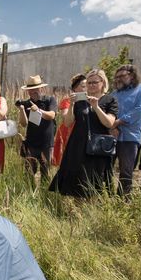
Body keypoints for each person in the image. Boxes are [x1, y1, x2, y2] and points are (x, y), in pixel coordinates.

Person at [49, 69, 118, 198]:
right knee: (77, 181)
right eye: (88, 83)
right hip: (78, 144)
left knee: (94, 181)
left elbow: (109, 123)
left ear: (102, 82)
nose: (91, 85)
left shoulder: (110, 100)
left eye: (94, 82)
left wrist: (96, 107)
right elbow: (68, 123)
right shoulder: (80, 100)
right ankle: (77, 214)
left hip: (98, 147)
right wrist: (71, 105)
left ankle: (91, 212)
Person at [111, 64, 141, 195]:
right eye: (117, 77)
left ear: (132, 76)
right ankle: (105, 198)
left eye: (122, 76)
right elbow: (108, 111)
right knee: (106, 169)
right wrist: (112, 126)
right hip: (111, 136)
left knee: (126, 172)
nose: (118, 79)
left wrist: (116, 123)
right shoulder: (114, 94)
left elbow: (139, 111)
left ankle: (122, 202)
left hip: (130, 137)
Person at [16, 75, 57, 182]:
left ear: (41, 89)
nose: (32, 91)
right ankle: (30, 194)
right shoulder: (26, 103)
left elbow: (52, 115)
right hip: (31, 143)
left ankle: (44, 195)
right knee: (29, 174)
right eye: (30, 90)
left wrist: (38, 110)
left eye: (35, 89)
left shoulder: (49, 100)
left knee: (46, 173)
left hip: (46, 144)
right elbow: (24, 124)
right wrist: (21, 110)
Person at [52, 74, 86, 167]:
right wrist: (72, 103)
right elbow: (65, 116)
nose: (86, 88)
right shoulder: (67, 101)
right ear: (75, 88)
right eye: (83, 86)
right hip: (68, 133)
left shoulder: (91, 101)